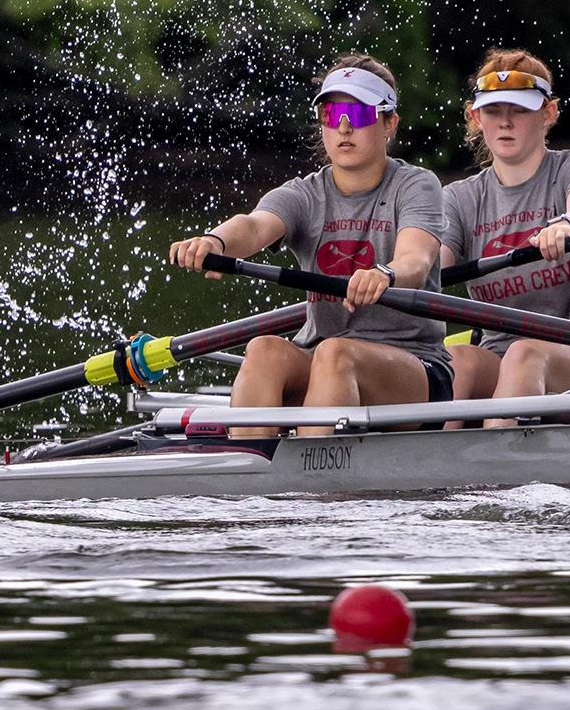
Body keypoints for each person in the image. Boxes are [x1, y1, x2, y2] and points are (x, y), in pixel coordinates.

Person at [168, 54, 450, 439]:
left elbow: (415, 260)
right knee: (265, 350)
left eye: (359, 114)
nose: (344, 127)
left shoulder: (416, 185)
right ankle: (247, 466)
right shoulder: (305, 194)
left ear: (389, 123)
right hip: (322, 359)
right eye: (331, 115)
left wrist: (385, 274)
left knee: (336, 354)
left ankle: (311, 473)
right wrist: (215, 240)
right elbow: (253, 226)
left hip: (415, 368)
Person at [439, 51, 570, 427]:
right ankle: (427, 461)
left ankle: (492, 457)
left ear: (548, 113)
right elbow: (432, 261)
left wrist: (567, 225)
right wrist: (395, 272)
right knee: (457, 360)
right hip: (499, 359)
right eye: (493, 111)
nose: (505, 122)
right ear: (475, 117)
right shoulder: (458, 198)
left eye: (520, 110)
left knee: (524, 354)